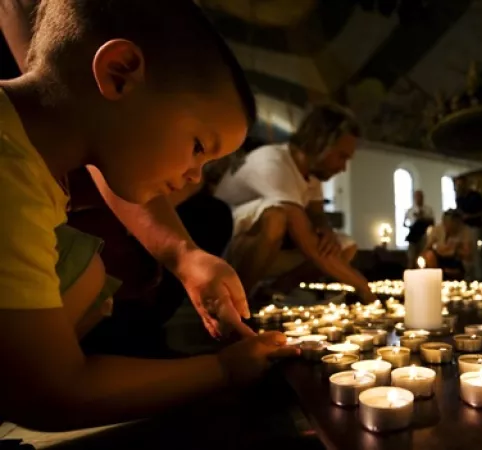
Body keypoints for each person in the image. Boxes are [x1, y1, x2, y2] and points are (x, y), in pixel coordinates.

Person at [0, 0, 300, 431]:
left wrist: (185, 257)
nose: (196, 175)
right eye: (199, 147)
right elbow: (50, 393)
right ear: (119, 73)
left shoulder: (33, 157)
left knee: (85, 272)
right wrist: (222, 370)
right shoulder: (8, 173)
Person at [215, 104, 378, 303]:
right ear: (319, 142)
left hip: (269, 250)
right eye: (341, 156)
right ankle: (237, 301)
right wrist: (363, 286)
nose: (343, 167)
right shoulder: (272, 163)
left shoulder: (311, 173)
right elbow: (308, 242)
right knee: (277, 217)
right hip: (221, 250)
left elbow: (316, 214)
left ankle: (270, 293)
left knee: (344, 245)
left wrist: (324, 228)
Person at [421, 210, 471, 279]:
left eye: (451, 222)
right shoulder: (437, 230)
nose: (448, 225)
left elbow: (467, 254)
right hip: (439, 259)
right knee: (429, 255)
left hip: (455, 259)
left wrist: (456, 249)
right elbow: (427, 248)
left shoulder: (464, 231)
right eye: (445, 222)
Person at [455, 178, 482, 280]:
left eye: (460, 185)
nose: (458, 187)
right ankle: (468, 276)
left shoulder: (475, 196)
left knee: (475, 253)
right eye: (457, 185)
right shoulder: (459, 198)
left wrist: (470, 216)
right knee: (466, 252)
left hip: (475, 226)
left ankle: (479, 277)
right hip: (464, 228)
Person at [404, 190, 435, 268]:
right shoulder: (410, 211)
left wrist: (423, 219)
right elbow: (405, 223)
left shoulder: (428, 210)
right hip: (413, 237)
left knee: (422, 257)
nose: (419, 198)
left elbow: (432, 222)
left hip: (423, 236)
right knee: (411, 258)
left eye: (420, 196)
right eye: (417, 196)